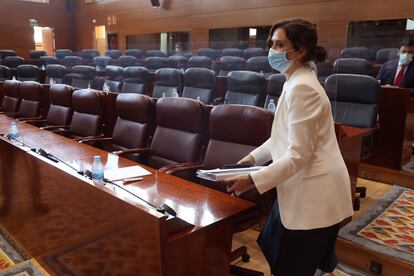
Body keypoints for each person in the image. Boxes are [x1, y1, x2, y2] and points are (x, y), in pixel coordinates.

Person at [227, 19, 354, 276]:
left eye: (280, 44)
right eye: (271, 43)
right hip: (301, 186)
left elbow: (298, 154)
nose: (272, 50)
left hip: (315, 193)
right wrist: (251, 159)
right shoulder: (294, 81)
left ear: (300, 50)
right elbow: (283, 137)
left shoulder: (302, 88)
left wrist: (252, 179)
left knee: (291, 265)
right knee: (275, 246)